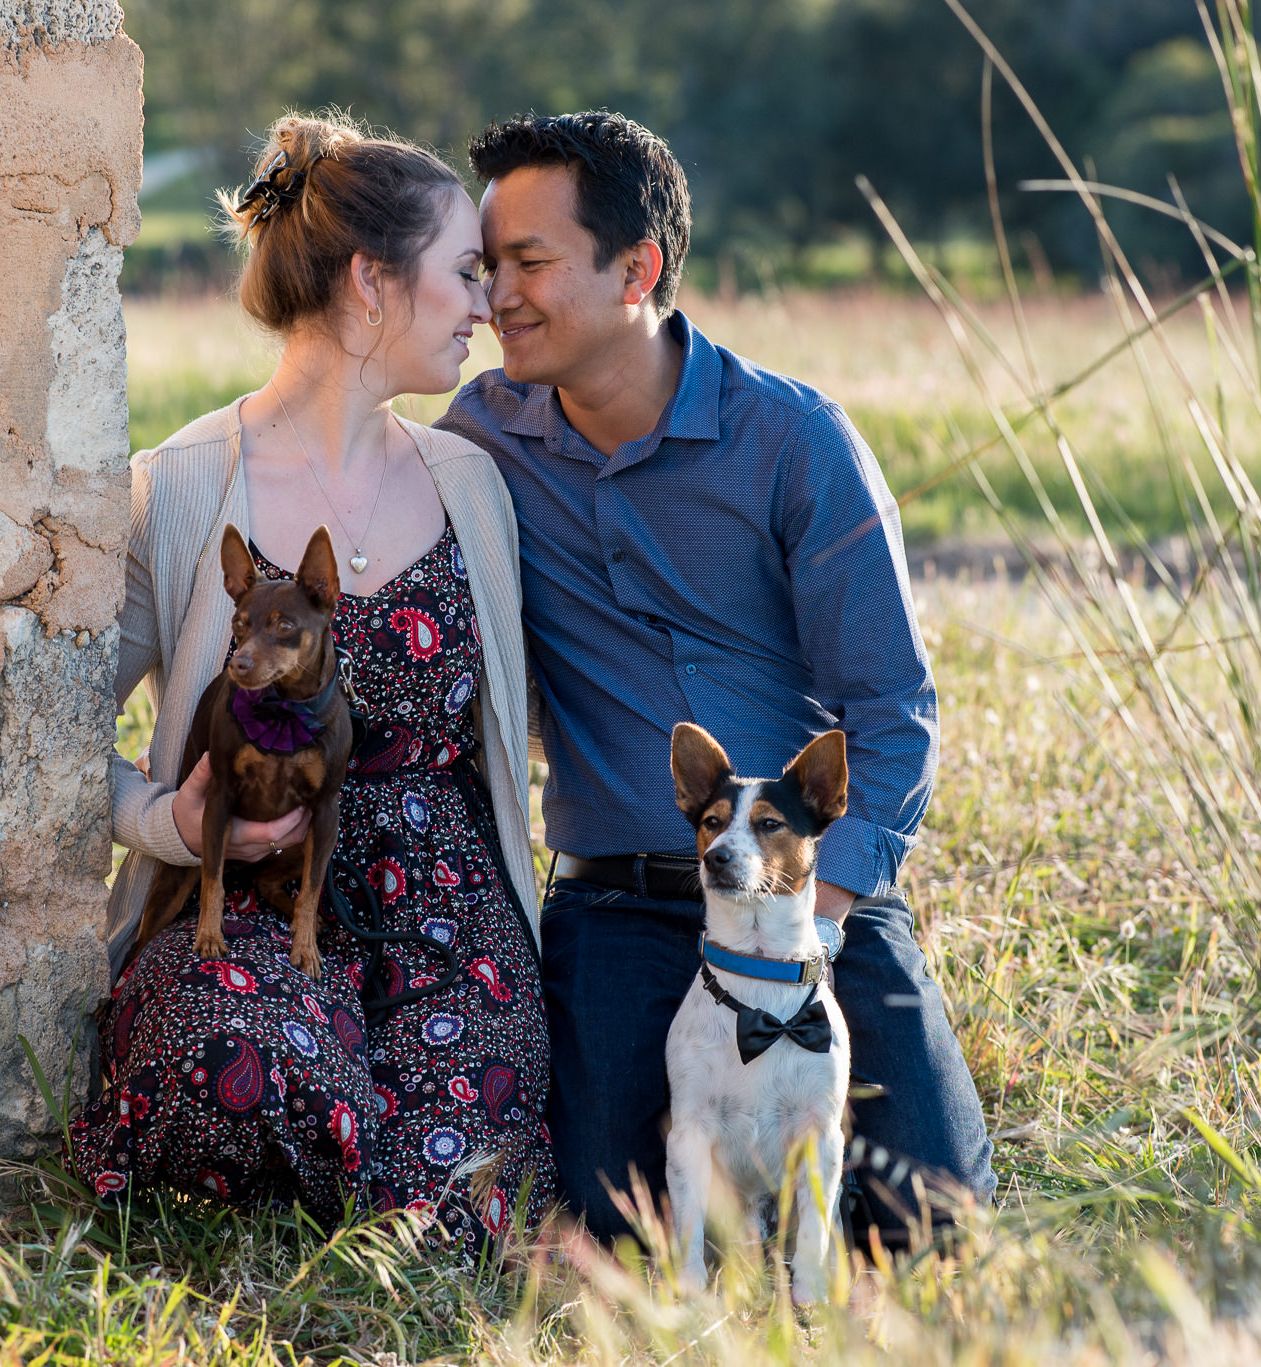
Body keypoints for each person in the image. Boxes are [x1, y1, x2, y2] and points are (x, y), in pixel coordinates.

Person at [437, 110, 997, 1248]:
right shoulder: (476, 442)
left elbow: (889, 711)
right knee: (624, 1228)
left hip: (804, 895)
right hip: (617, 901)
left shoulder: (792, 442)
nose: (496, 294)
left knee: (927, 1224)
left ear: (635, 267)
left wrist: (813, 923)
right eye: (486, 265)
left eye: (529, 263)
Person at [72, 114, 554, 1256]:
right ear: (369, 281)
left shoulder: (469, 485)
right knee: (223, 1061)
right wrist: (166, 823)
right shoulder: (184, 486)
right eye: (464, 274)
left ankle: (380, 1182)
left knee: (458, 1169)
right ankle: (301, 1149)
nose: (485, 306)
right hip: (245, 898)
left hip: (449, 919)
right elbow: (52, 732)